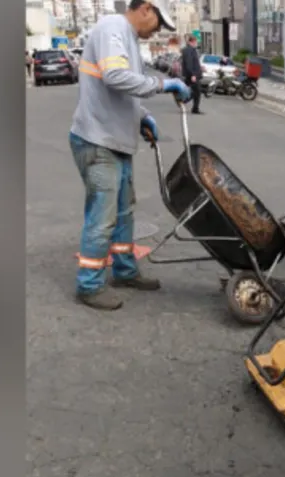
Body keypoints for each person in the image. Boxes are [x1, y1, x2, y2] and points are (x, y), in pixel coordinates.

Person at [69, 0, 192, 310]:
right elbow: (114, 77)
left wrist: (142, 117)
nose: (159, 31)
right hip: (97, 139)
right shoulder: (113, 27)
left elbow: (124, 91)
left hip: (116, 140)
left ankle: (124, 271)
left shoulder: (128, 40)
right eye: (159, 23)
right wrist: (165, 84)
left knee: (124, 211)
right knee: (103, 215)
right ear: (146, 8)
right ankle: (89, 284)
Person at [180, 35, 203, 114]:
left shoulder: (190, 50)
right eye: (195, 42)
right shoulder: (189, 50)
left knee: (193, 91)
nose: (196, 43)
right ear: (191, 42)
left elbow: (194, 62)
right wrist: (193, 74)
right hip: (192, 75)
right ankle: (193, 107)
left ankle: (184, 101)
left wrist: (200, 68)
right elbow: (189, 63)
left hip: (191, 74)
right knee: (197, 91)